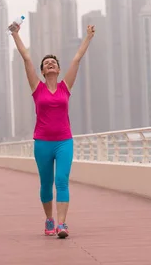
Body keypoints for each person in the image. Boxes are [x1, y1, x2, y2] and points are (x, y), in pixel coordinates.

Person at [8, 21, 95, 238]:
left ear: (58, 68)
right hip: (43, 143)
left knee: (62, 181)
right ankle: (49, 219)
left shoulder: (66, 87)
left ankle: (62, 225)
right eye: (46, 63)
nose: (50, 64)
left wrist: (88, 37)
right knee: (46, 184)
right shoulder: (37, 88)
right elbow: (26, 58)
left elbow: (77, 59)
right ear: (42, 70)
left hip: (64, 141)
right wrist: (15, 35)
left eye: (53, 62)